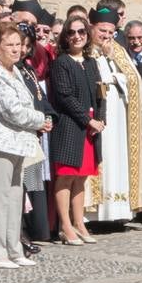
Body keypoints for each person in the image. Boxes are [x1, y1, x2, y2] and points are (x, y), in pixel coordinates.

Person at [0, 22, 51, 269]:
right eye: (9, 45)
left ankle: (13, 247)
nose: (16, 50)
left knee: (15, 196)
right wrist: (41, 120)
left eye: (18, 44)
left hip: (18, 142)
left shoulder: (15, 70)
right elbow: (11, 110)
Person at [85, 7, 142, 225]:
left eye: (110, 32)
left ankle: (117, 212)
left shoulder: (118, 51)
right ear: (92, 28)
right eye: (102, 31)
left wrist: (116, 78)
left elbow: (134, 79)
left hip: (118, 115)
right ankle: (93, 213)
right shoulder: (87, 50)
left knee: (117, 158)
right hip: (98, 114)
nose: (106, 36)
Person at [49, 16, 105, 244]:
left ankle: (79, 222)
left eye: (81, 31)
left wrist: (100, 120)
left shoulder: (91, 62)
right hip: (70, 125)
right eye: (72, 32)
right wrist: (87, 120)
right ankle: (65, 225)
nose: (77, 36)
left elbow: (100, 93)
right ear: (65, 36)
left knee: (81, 178)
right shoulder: (62, 63)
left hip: (90, 127)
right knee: (66, 177)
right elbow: (64, 97)